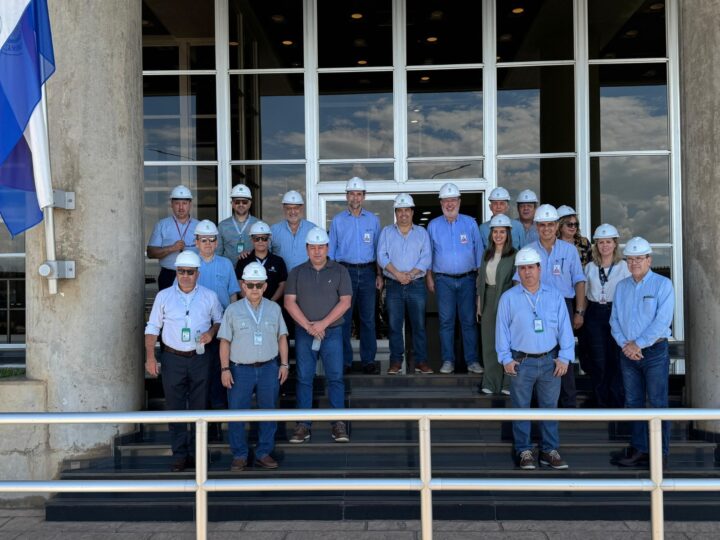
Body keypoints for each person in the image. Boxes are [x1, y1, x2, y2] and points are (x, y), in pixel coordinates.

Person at [496, 247, 575, 470]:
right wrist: (505, 359)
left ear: (540, 269)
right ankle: (524, 451)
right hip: (521, 362)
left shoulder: (554, 296)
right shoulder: (508, 298)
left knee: (549, 408)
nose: (527, 272)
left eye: (531, 267)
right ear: (518, 272)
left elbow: (565, 330)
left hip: (550, 362)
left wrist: (565, 357)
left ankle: (549, 451)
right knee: (521, 408)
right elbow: (501, 330)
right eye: (522, 268)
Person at [144, 251, 223, 472]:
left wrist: (211, 333)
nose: (185, 276)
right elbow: (152, 328)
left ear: (198, 273)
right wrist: (150, 357)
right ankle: (179, 454)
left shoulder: (209, 296)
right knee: (175, 408)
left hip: (200, 357)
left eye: (190, 272)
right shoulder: (163, 296)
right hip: (172, 358)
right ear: (176, 272)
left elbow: (219, 321)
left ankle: (198, 455)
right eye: (181, 272)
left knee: (200, 408)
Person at [218, 262, 289, 471]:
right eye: (250, 285)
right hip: (240, 369)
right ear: (243, 286)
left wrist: (284, 364)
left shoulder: (274, 308)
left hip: (268, 368)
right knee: (236, 413)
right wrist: (224, 369)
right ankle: (239, 455)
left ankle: (264, 453)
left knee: (269, 412)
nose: (255, 290)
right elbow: (224, 342)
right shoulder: (232, 310)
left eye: (259, 285)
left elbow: (282, 337)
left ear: (265, 286)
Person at [284, 227, 352, 444]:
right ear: (306, 249)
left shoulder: (340, 271)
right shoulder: (296, 272)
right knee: (304, 378)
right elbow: (289, 302)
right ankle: (303, 425)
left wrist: (322, 323)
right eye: (312, 247)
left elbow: (345, 302)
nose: (317, 251)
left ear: (327, 248)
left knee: (336, 378)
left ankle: (338, 423)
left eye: (320, 247)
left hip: (332, 332)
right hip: (305, 334)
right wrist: (309, 326)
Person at [610, 237, 674, 468]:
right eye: (630, 259)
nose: (635, 263)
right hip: (628, 354)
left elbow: (662, 321)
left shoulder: (663, 285)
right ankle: (639, 449)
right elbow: (614, 320)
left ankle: (660, 454)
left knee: (658, 402)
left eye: (639, 258)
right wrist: (625, 345)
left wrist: (638, 344)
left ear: (649, 260)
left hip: (655, 351)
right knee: (633, 402)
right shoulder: (622, 287)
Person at [519, 204, 586, 408]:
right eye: (542, 225)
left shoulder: (569, 250)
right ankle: (541, 406)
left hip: (564, 306)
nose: (546, 229)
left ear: (557, 226)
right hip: (535, 305)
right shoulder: (528, 251)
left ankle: (568, 405)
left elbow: (579, 281)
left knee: (564, 354)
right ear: (537, 227)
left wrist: (579, 311)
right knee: (539, 354)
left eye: (550, 224)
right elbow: (518, 281)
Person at [426, 182, 483, 375]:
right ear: (441, 203)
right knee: (446, 322)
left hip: (468, 279)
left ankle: (472, 361)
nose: (449, 204)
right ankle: (448, 361)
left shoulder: (470, 223)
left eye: (453, 200)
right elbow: (429, 254)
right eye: (446, 201)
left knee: (468, 321)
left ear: (459, 201)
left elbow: (479, 252)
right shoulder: (433, 225)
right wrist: (429, 278)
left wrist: (478, 278)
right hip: (443, 280)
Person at [192, 219, 241, 439]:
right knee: (201, 379)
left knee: (220, 376)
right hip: (198, 331)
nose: (209, 244)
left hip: (222, 329)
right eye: (204, 240)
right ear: (196, 241)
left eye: (212, 240)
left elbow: (233, 296)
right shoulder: (189, 264)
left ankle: (220, 427)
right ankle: (205, 429)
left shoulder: (225, 264)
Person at [329, 177, 382, 374]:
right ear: (347, 196)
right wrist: (334, 279)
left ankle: (368, 360)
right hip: (345, 272)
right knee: (344, 318)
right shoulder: (337, 221)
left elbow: (378, 250)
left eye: (359, 194)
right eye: (352, 193)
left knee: (368, 319)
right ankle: (345, 361)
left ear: (364, 197)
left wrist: (379, 275)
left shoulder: (373, 220)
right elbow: (331, 253)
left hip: (368, 272)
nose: (355, 197)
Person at [377, 193, 432, 375]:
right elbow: (381, 256)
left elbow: (426, 257)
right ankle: (395, 362)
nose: (403, 214)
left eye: (406, 210)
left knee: (419, 325)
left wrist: (410, 274)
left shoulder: (422, 233)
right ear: (396, 213)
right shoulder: (386, 232)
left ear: (412, 212)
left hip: (416, 284)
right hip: (393, 285)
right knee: (394, 326)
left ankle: (421, 361)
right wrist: (398, 274)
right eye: (399, 211)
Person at [583, 224, 630, 408]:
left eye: (608, 242)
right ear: (596, 245)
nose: (604, 246)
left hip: (616, 313)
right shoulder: (590, 268)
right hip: (595, 315)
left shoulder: (624, 267)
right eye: (601, 242)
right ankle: (601, 402)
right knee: (599, 360)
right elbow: (585, 295)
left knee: (617, 359)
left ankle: (617, 403)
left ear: (615, 244)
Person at [476, 214, 517, 395]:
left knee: (508, 342)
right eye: (495, 232)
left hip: (508, 298)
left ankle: (508, 383)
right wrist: (479, 303)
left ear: (508, 233)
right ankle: (491, 382)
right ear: (491, 234)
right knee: (489, 342)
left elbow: (517, 282)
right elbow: (480, 281)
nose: (498, 235)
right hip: (488, 298)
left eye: (502, 232)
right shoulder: (486, 254)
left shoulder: (515, 255)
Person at [146, 185, 200, 291]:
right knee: (167, 307)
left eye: (184, 203)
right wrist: (172, 248)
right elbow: (150, 253)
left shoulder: (199, 226)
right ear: (171, 204)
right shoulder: (162, 225)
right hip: (169, 275)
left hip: (193, 274)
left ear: (190, 204)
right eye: (177, 203)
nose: (181, 207)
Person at [235, 221, 288, 303]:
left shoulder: (278, 261)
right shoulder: (243, 260)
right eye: (257, 238)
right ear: (252, 240)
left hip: (272, 306)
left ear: (269, 239)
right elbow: (239, 283)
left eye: (264, 238)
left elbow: (282, 285)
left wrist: (270, 303)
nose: (260, 241)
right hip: (249, 306)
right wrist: (250, 303)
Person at [270, 190, 317, 272]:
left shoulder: (312, 229)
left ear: (302, 208)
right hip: (282, 282)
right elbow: (263, 254)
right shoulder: (273, 230)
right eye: (289, 208)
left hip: (307, 281)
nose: (292, 212)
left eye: (296, 208)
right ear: (284, 208)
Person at [217, 184, 258, 266]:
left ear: (250, 203)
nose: (241, 205)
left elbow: (265, 250)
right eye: (237, 202)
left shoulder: (258, 224)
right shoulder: (222, 226)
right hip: (228, 272)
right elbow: (218, 254)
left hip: (252, 274)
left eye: (244, 202)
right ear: (232, 203)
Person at [477, 187, 523, 252]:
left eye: (502, 203)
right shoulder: (482, 228)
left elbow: (524, 250)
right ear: (490, 207)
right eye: (495, 203)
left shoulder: (518, 226)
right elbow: (481, 253)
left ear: (507, 207)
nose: (498, 207)